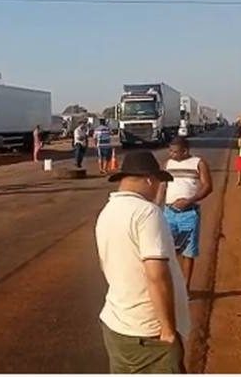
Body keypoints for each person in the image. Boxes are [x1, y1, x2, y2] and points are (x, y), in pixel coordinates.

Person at [96, 151, 190, 373]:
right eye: (158, 182)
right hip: (148, 331)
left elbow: (107, 263)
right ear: (150, 179)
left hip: (117, 322)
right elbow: (156, 276)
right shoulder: (147, 213)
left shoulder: (107, 212)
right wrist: (167, 330)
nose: (159, 188)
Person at [159, 137, 213, 294]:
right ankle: (170, 286)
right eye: (170, 151)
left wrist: (190, 200)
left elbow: (208, 186)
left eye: (175, 152)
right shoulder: (168, 164)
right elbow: (163, 186)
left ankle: (185, 288)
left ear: (185, 151)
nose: (172, 154)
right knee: (167, 251)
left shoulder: (199, 163)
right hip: (169, 213)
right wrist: (156, 206)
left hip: (189, 214)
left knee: (188, 252)